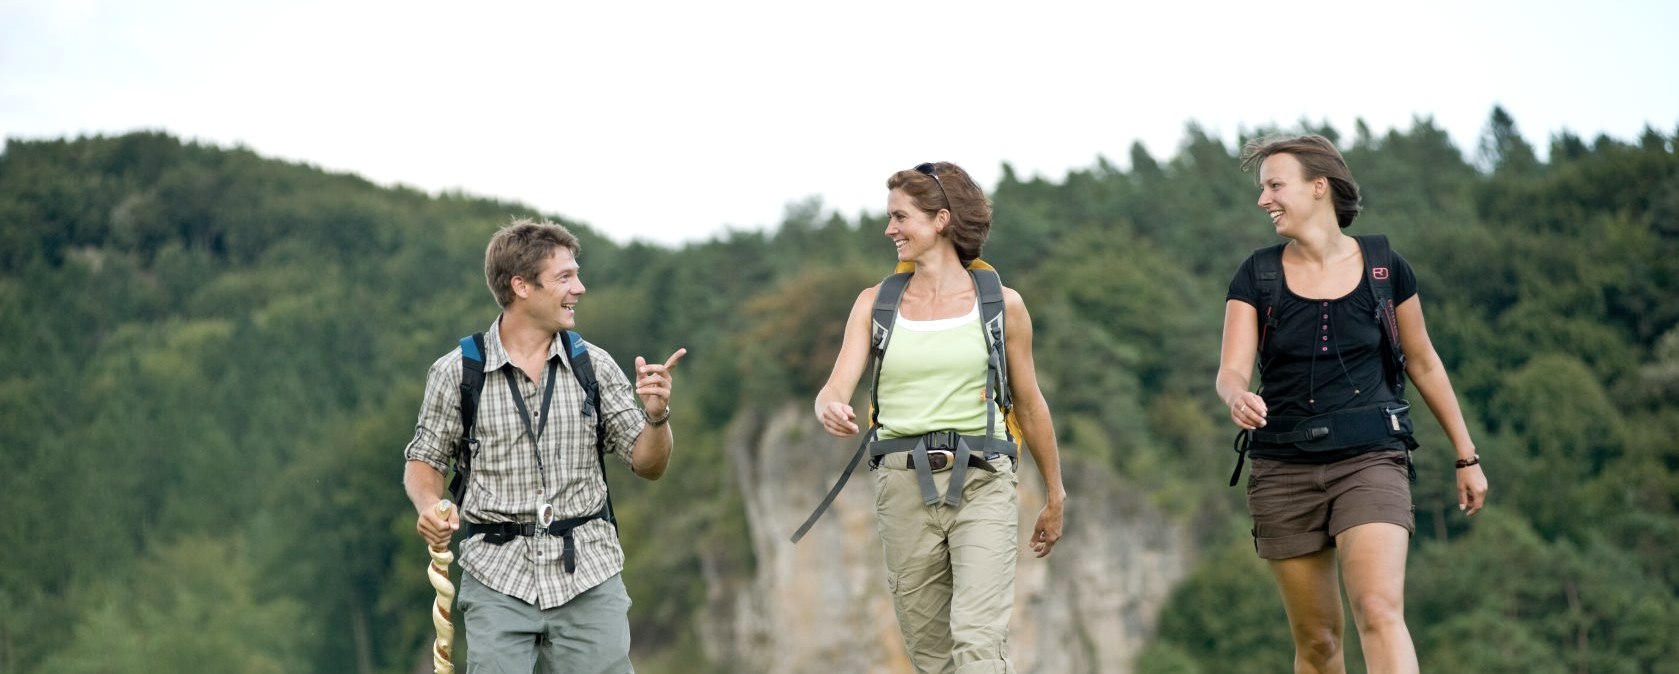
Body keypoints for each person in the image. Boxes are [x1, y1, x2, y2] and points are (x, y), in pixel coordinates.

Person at [1216, 135, 1489, 674]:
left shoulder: (1387, 268)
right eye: (1262, 188)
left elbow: (1425, 363)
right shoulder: (1258, 273)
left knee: (1378, 608)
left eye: (1275, 185)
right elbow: (1230, 370)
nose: (1263, 199)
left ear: (1319, 187)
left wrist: (1466, 454)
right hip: (1283, 469)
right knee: (1317, 640)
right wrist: (1236, 396)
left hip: (1370, 459)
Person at [814, 161, 1066, 674]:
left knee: (976, 646)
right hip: (900, 486)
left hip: (984, 481)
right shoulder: (874, 304)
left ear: (941, 220)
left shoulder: (1002, 305)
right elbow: (834, 386)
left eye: (900, 217)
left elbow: (1030, 404)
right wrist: (830, 407)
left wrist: (1056, 494)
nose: (890, 230)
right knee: (933, 659)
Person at [403, 218, 686, 674]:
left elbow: (649, 464)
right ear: (521, 286)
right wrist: (428, 505)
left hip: (590, 574)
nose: (580, 288)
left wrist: (656, 415)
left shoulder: (593, 365)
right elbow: (425, 460)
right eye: (565, 277)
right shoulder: (457, 372)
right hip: (497, 577)